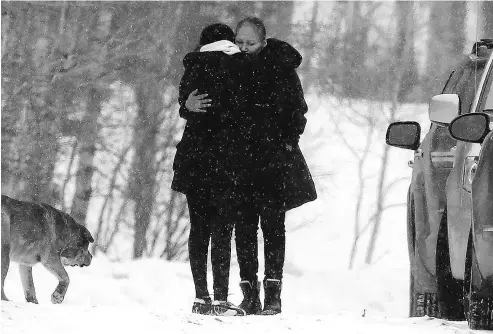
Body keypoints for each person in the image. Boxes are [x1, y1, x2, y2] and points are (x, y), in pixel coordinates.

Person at [185, 17, 317, 316]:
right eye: (240, 42)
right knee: (243, 228)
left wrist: (283, 145)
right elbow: (207, 103)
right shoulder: (229, 65)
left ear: (264, 42)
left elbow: (297, 113)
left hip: (273, 162)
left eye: (251, 43)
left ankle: (273, 293)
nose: (244, 48)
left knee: (273, 226)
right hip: (238, 162)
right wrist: (187, 105)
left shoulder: (281, 69)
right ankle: (249, 293)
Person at [171, 23, 252, 316]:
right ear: (230, 41)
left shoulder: (194, 64)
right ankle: (220, 298)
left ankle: (200, 298)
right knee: (223, 230)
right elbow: (248, 108)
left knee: (199, 228)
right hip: (228, 160)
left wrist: (186, 106)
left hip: (195, 158)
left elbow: (185, 102)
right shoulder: (242, 65)